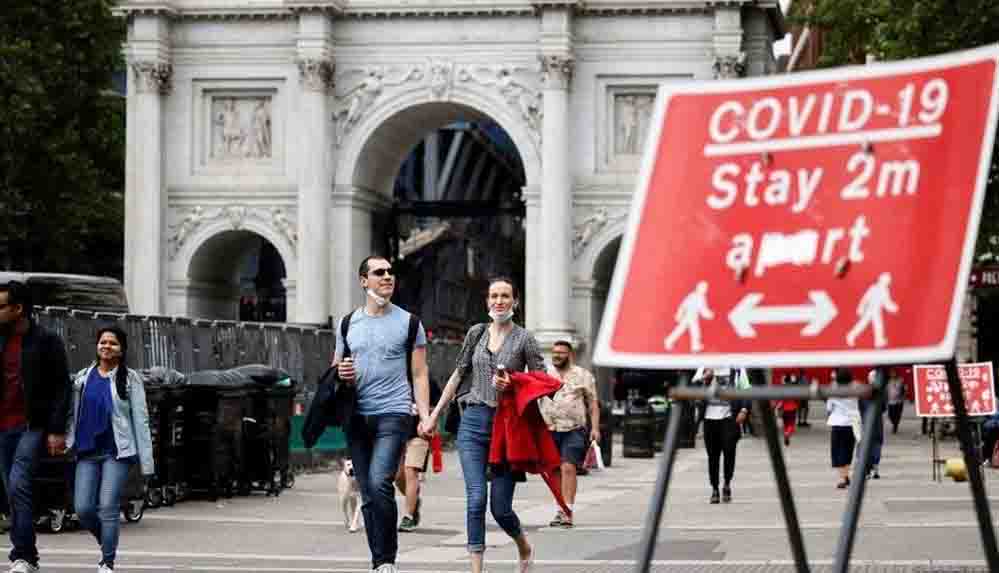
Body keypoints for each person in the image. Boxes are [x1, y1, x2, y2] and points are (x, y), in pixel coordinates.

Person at [423, 277, 543, 573]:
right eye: (494, 296)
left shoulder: (525, 339)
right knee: (476, 499)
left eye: (505, 296)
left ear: (515, 301)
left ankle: (524, 546)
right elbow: (458, 373)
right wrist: (434, 415)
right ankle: (476, 569)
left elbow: (540, 381)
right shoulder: (476, 333)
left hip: (507, 429)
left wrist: (513, 382)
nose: (499, 301)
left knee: (500, 509)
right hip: (473, 421)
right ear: (487, 301)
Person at [334, 255, 432, 573]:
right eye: (379, 272)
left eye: (390, 272)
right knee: (367, 493)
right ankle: (379, 561)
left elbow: (419, 373)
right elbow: (336, 367)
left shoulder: (410, 323)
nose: (388, 276)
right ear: (364, 281)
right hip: (357, 416)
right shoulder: (347, 323)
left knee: (379, 483)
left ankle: (387, 560)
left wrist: (425, 416)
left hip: (394, 412)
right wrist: (342, 373)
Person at [66, 327, 154, 572]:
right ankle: (106, 541)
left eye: (113, 343)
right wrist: (67, 441)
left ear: (122, 350)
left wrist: (147, 463)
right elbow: (72, 414)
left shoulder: (131, 379)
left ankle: (107, 561)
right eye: (103, 342)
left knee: (107, 507)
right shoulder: (83, 378)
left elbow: (141, 420)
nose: (106, 346)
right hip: (87, 451)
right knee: (83, 509)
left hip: (117, 452)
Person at [0, 281, 71, 573]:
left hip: (31, 426)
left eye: (1, 306)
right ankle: (27, 554)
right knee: (11, 490)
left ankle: (24, 556)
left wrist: (56, 429)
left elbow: (62, 387)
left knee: (18, 485)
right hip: (2, 427)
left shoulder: (46, 341)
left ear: (18, 309)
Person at [539, 340, 599, 529]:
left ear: (570, 355)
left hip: (574, 429)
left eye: (561, 352)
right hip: (549, 429)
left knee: (568, 467)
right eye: (554, 352)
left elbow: (593, 404)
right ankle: (560, 508)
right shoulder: (544, 374)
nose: (556, 355)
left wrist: (595, 428)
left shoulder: (583, 375)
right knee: (553, 470)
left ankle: (568, 510)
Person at [693, 367, 749, 504]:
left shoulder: (737, 368)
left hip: (729, 419)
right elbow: (692, 386)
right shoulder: (705, 366)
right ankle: (715, 489)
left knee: (729, 452)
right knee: (713, 456)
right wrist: (705, 378)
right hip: (709, 420)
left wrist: (744, 410)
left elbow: (747, 390)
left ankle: (727, 484)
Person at [827, 368, 861, 489]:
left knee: (838, 451)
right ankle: (846, 475)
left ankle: (843, 478)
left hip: (837, 422)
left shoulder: (833, 389)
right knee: (848, 450)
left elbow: (829, 407)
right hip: (852, 423)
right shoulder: (856, 387)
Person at [886, 369, 905, 434]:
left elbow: (903, 390)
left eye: (894, 373)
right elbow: (885, 390)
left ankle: (895, 426)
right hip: (890, 401)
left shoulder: (900, 380)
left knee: (897, 415)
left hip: (899, 401)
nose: (893, 374)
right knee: (890, 415)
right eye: (891, 373)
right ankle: (894, 423)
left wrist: (902, 395)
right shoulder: (887, 381)